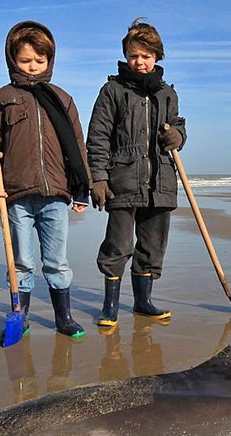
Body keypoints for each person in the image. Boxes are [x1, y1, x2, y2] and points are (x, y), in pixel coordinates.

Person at [0, 21, 91, 339]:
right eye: (26, 61)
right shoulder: (1, 98)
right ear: (12, 60)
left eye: (39, 61)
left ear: (49, 60)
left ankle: (63, 317)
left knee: (56, 261)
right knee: (22, 261)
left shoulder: (62, 98)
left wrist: (82, 189)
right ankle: (20, 314)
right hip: (16, 193)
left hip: (56, 193)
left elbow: (77, 147)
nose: (33, 68)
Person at [87, 18, 186, 328]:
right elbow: (98, 136)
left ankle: (143, 302)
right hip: (122, 180)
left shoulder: (167, 93)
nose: (139, 62)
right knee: (117, 245)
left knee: (152, 246)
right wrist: (99, 178)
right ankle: (111, 306)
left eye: (146, 56)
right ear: (125, 56)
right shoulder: (112, 90)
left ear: (157, 57)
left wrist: (177, 137)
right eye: (134, 56)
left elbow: (178, 124)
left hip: (160, 181)